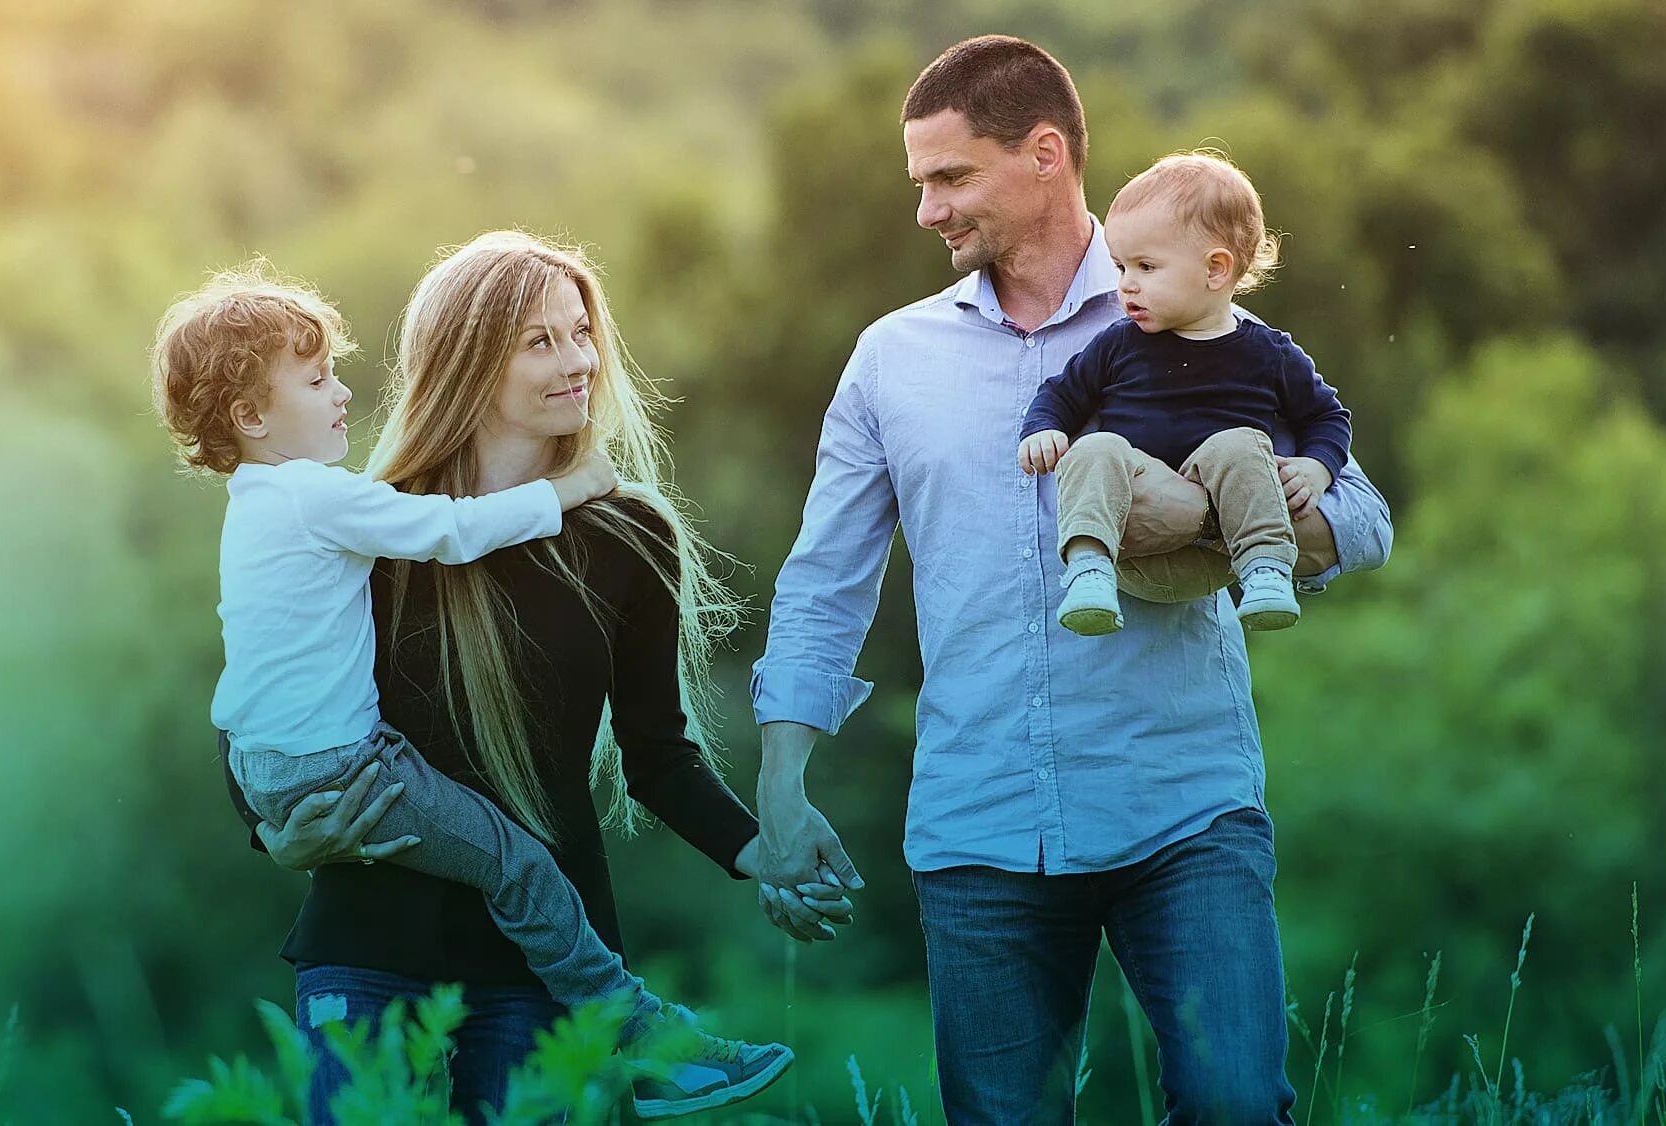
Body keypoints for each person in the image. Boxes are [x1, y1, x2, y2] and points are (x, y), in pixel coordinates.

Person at [747, 36, 1393, 1125]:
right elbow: (823, 580)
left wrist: (1220, 515)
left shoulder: (1196, 308)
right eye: (919, 184)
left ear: (1043, 153)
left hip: (1180, 805)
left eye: (949, 178)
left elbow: (1361, 519)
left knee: (1237, 1107)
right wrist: (780, 777)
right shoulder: (889, 360)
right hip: (978, 822)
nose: (926, 212)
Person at [196, 236, 833, 1122]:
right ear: (468, 362)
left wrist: (762, 850)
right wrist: (278, 836)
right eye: (540, 341)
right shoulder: (376, 524)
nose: (578, 362)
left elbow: (658, 755)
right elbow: (259, 701)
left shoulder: (628, 535)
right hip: (370, 952)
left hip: (544, 975)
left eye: (581, 334)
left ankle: (640, 1034)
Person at [1016, 150, 1353, 634]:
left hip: (1223, 558)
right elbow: (1061, 394)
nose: (1125, 286)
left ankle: (1267, 572)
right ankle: (1088, 571)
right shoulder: (1118, 343)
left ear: (1216, 269)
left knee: (1240, 444)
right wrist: (1043, 429)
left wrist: (1317, 467)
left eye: (1146, 268)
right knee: (1096, 448)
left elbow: (1327, 416)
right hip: (1131, 545)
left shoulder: (1269, 353)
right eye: (1120, 266)